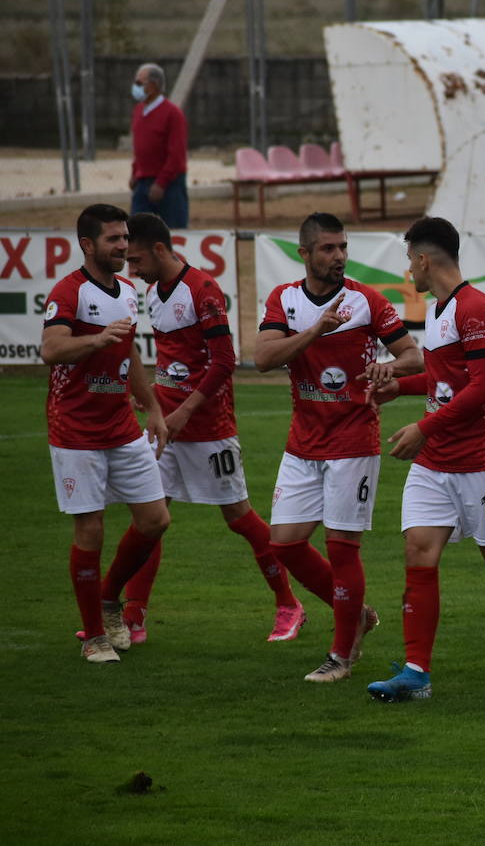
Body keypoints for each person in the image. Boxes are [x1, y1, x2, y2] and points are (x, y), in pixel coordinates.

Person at [115, 213, 304, 644]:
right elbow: (168, 362)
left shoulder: (203, 289)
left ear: (160, 250)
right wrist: (157, 409)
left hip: (209, 427)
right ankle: (133, 614)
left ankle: (289, 604)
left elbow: (224, 362)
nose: (132, 268)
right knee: (151, 517)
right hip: (167, 426)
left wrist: (184, 412)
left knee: (238, 517)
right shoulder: (152, 291)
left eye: (137, 258)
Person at [255, 212, 422, 683]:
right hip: (302, 442)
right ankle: (359, 616)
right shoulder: (285, 300)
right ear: (304, 254)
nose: (339, 257)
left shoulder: (366, 300)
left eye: (343, 247)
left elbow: (414, 356)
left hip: (353, 440)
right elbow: (263, 358)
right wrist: (315, 332)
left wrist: (390, 367)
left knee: (342, 547)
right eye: (328, 249)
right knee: (283, 544)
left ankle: (342, 655)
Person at [364, 217, 485, 703]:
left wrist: (423, 427)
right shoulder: (438, 310)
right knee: (419, 552)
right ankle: (416, 673)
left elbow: (483, 387)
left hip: (483, 460)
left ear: (423, 259)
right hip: (436, 464)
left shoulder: (474, 307)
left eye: (408, 258)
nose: (407, 268)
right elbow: (445, 381)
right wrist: (399, 386)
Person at [41, 203, 172, 664]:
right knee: (90, 528)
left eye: (124, 238)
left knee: (156, 520)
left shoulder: (128, 290)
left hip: (121, 424)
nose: (123, 246)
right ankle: (95, 637)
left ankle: (109, 598)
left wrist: (153, 405)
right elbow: (50, 348)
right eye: (114, 239)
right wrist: (95, 339)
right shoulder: (69, 291)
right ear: (87, 245)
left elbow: (129, 352)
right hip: (75, 429)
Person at [128, 64, 189, 230]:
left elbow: (176, 153)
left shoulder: (172, 113)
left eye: (139, 83)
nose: (135, 87)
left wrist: (161, 182)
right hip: (142, 182)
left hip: (169, 184)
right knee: (137, 233)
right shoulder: (139, 110)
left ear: (153, 85)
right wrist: (135, 171)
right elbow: (139, 147)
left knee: (173, 233)